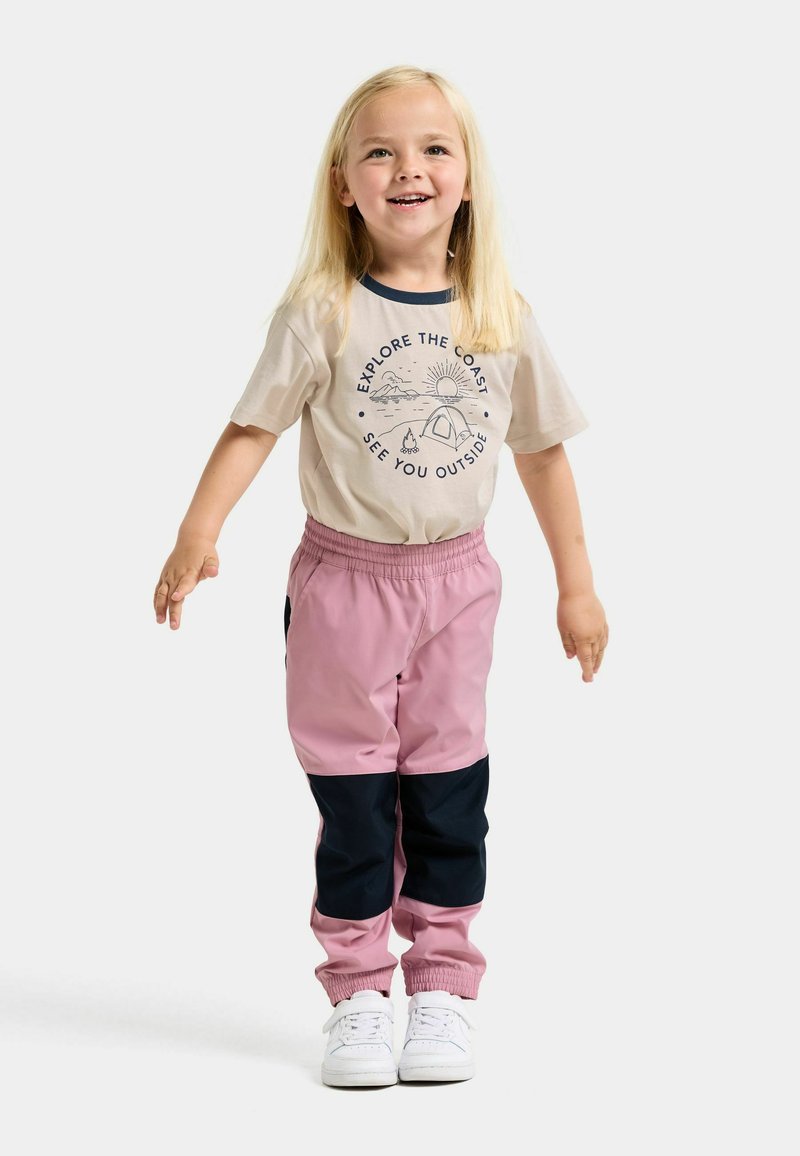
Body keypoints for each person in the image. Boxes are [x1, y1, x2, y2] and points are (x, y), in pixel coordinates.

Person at [153, 64, 609, 1088]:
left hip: (459, 587)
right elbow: (252, 427)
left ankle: (441, 983)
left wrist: (574, 585)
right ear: (342, 182)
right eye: (381, 152)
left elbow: (542, 455)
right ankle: (358, 993)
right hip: (343, 587)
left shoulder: (499, 315)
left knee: (448, 790)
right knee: (356, 798)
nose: (410, 169)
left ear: (467, 176)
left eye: (434, 148)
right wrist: (197, 531)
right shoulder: (321, 312)